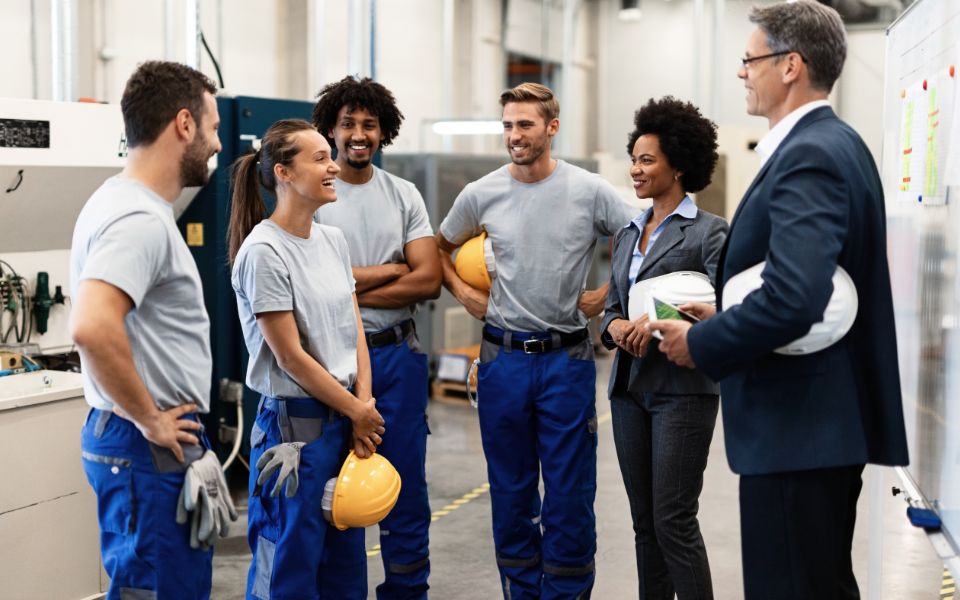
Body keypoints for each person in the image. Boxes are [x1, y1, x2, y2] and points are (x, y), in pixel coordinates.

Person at [650, 2, 909, 598]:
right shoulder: (835, 142)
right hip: (813, 427)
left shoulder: (810, 154)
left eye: (750, 59)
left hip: (799, 427)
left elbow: (796, 296)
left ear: (790, 65)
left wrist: (705, 341)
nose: (742, 72)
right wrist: (731, 315)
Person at [436, 82, 637, 599]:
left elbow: (640, 237)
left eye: (525, 125)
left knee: (570, 497)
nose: (514, 136)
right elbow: (439, 246)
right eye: (507, 125)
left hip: (565, 362)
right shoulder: (482, 193)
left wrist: (606, 295)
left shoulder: (588, 190)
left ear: (552, 127)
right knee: (510, 494)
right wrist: (462, 291)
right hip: (502, 361)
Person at [70, 60, 233, 599]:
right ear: (183, 124)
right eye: (211, 128)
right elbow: (92, 325)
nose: (216, 144)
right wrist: (151, 420)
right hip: (144, 446)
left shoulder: (119, 202)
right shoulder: (137, 218)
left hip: (140, 443)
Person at [228, 119, 386, 600]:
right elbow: (291, 357)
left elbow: (354, 328)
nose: (333, 166)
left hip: (344, 424)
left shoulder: (332, 241)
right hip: (294, 432)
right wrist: (357, 409)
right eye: (319, 158)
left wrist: (363, 403)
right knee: (290, 569)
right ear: (284, 173)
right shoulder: (263, 252)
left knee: (344, 570)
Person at [312, 76, 441, 600]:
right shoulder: (312, 191)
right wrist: (389, 271)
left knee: (404, 488)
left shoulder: (402, 194)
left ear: (384, 131)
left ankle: (408, 592)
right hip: (328, 366)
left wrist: (343, 283)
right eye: (348, 124)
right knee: (328, 491)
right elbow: (308, 287)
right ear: (331, 130)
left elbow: (428, 279)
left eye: (369, 124)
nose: (358, 134)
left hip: (396, 360)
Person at [600, 96, 727, 600]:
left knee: (674, 520)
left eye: (647, 159)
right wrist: (618, 330)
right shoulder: (628, 234)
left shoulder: (711, 233)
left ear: (678, 164)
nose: (635, 169)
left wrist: (651, 323)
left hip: (683, 390)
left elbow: (723, 312)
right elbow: (611, 309)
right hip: (629, 390)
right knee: (644, 523)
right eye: (633, 158)